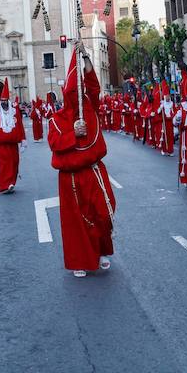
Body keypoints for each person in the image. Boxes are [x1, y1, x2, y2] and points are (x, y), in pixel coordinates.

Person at [47, 43, 116, 278]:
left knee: (103, 215)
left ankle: (101, 251)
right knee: (77, 222)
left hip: (94, 171)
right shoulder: (56, 119)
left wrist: (85, 57)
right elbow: (54, 143)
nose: (76, 95)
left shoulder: (89, 107)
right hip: (71, 179)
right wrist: (72, 134)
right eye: (72, 92)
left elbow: (94, 87)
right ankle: (80, 260)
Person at [0, 79, 26, 194]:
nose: (3, 102)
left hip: (13, 144)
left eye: (5, 100)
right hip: (1, 145)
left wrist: (23, 140)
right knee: (3, 165)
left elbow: (19, 125)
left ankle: (11, 183)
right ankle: (3, 185)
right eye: (2, 100)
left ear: (8, 101)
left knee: (13, 163)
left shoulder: (15, 112)